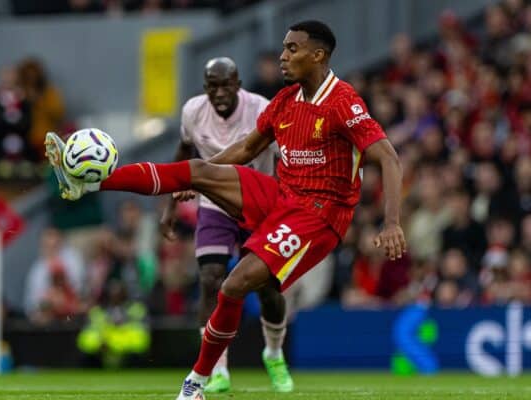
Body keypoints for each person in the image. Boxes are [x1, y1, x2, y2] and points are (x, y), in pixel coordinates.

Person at [45, 20, 406, 400]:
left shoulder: (342, 101)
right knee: (198, 169)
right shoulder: (285, 101)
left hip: (319, 213)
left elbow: (389, 158)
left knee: (234, 285)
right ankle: (88, 182)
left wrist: (392, 221)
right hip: (282, 193)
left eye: (292, 49)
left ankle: (196, 383)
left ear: (318, 55)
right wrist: (199, 177)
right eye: (283, 48)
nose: (283, 56)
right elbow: (247, 150)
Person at [159, 57, 292, 393]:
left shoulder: (261, 109)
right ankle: (217, 369)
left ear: (238, 83)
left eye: (225, 85)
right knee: (209, 279)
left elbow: (282, 158)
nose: (218, 93)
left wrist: (286, 208)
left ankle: (273, 353)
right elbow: (184, 150)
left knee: (268, 289)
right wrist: (170, 205)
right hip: (214, 206)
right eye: (211, 86)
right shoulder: (192, 111)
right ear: (204, 87)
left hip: (258, 205)